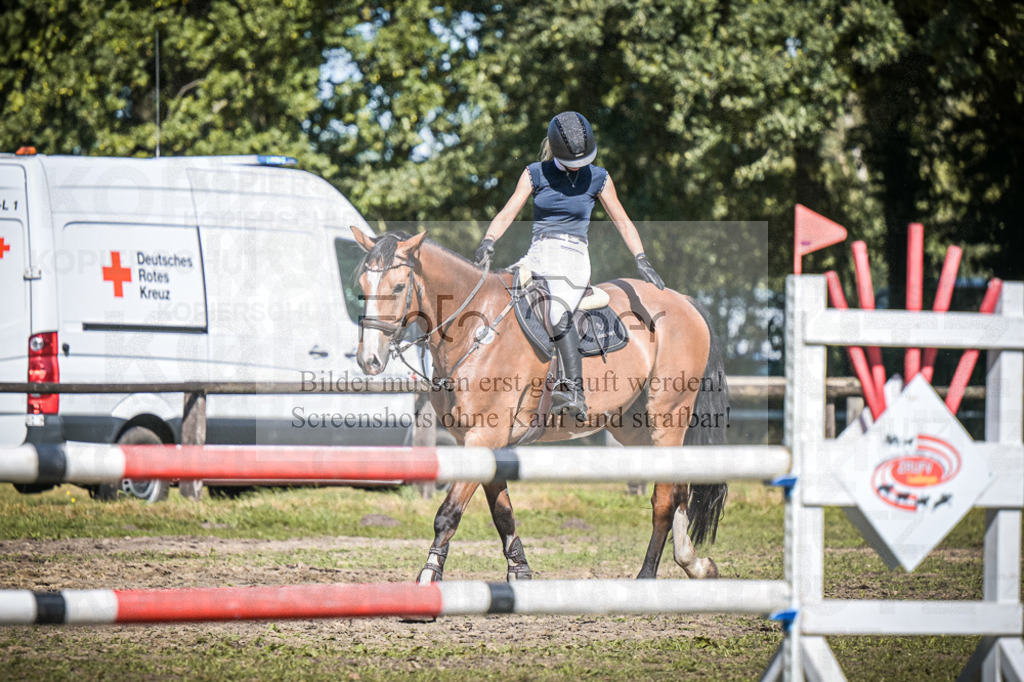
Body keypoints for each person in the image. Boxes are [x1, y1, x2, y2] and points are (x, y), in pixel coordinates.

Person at [474, 111, 665, 421]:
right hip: (538, 253)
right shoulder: (535, 173)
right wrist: (489, 240)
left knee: (557, 312)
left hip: (572, 255)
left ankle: (574, 391)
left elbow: (622, 220)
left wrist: (641, 257)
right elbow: (508, 211)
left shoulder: (599, 177)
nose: (581, 166)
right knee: (498, 297)